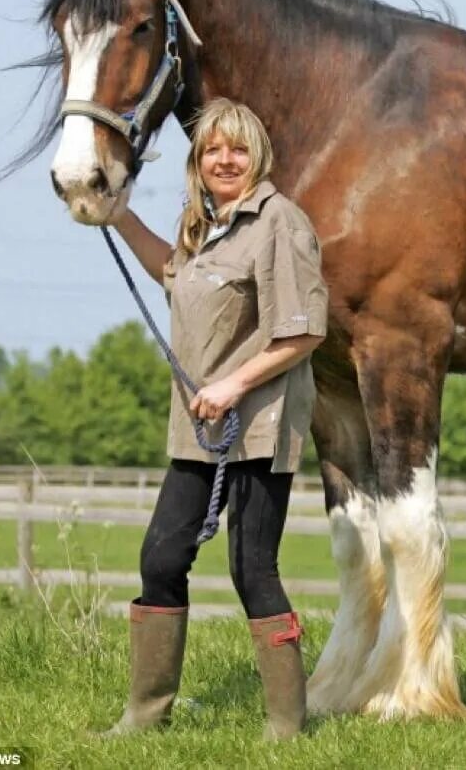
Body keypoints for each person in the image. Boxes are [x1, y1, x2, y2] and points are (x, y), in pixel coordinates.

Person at [101, 98, 327, 740]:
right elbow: (172, 274)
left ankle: (286, 726)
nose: (224, 160)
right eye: (211, 151)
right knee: (161, 558)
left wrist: (232, 384)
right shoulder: (202, 226)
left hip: (258, 422)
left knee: (252, 569)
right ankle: (146, 716)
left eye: (237, 149)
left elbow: (303, 332)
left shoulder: (279, 222)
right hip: (199, 429)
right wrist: (118, 216)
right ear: (197, 163)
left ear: (258, 157)